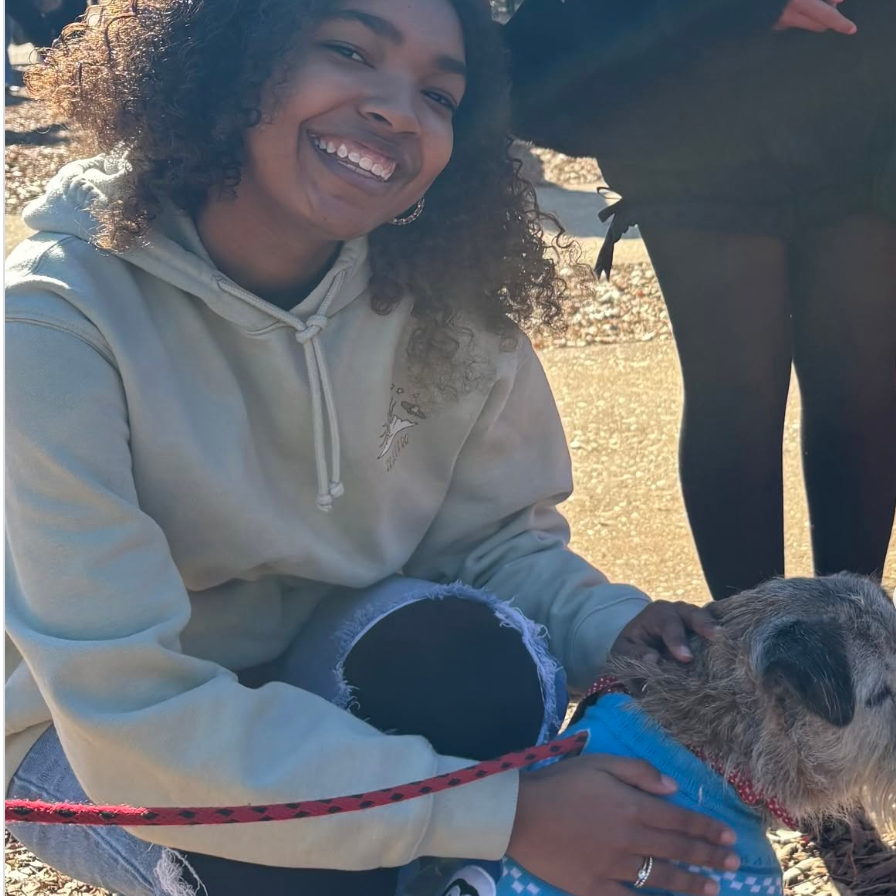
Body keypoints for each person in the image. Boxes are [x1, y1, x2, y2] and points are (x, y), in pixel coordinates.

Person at [5, 1, 741, 895]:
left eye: (440, 93)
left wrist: (610, 626)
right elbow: (133, 716)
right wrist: (505, 813)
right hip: (90, 727)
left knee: (473, 666)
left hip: (326, 659)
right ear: (224, 59)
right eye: (350, 50)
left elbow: (488, 544)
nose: (398, 109)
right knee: (286, 866)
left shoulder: (440, 299)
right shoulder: (55, 322)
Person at [504, 0, 896, 600]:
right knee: (738, 391)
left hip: (862, 97)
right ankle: (750, 652)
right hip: (693, 114)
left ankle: (858, 636)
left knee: (863, 386)